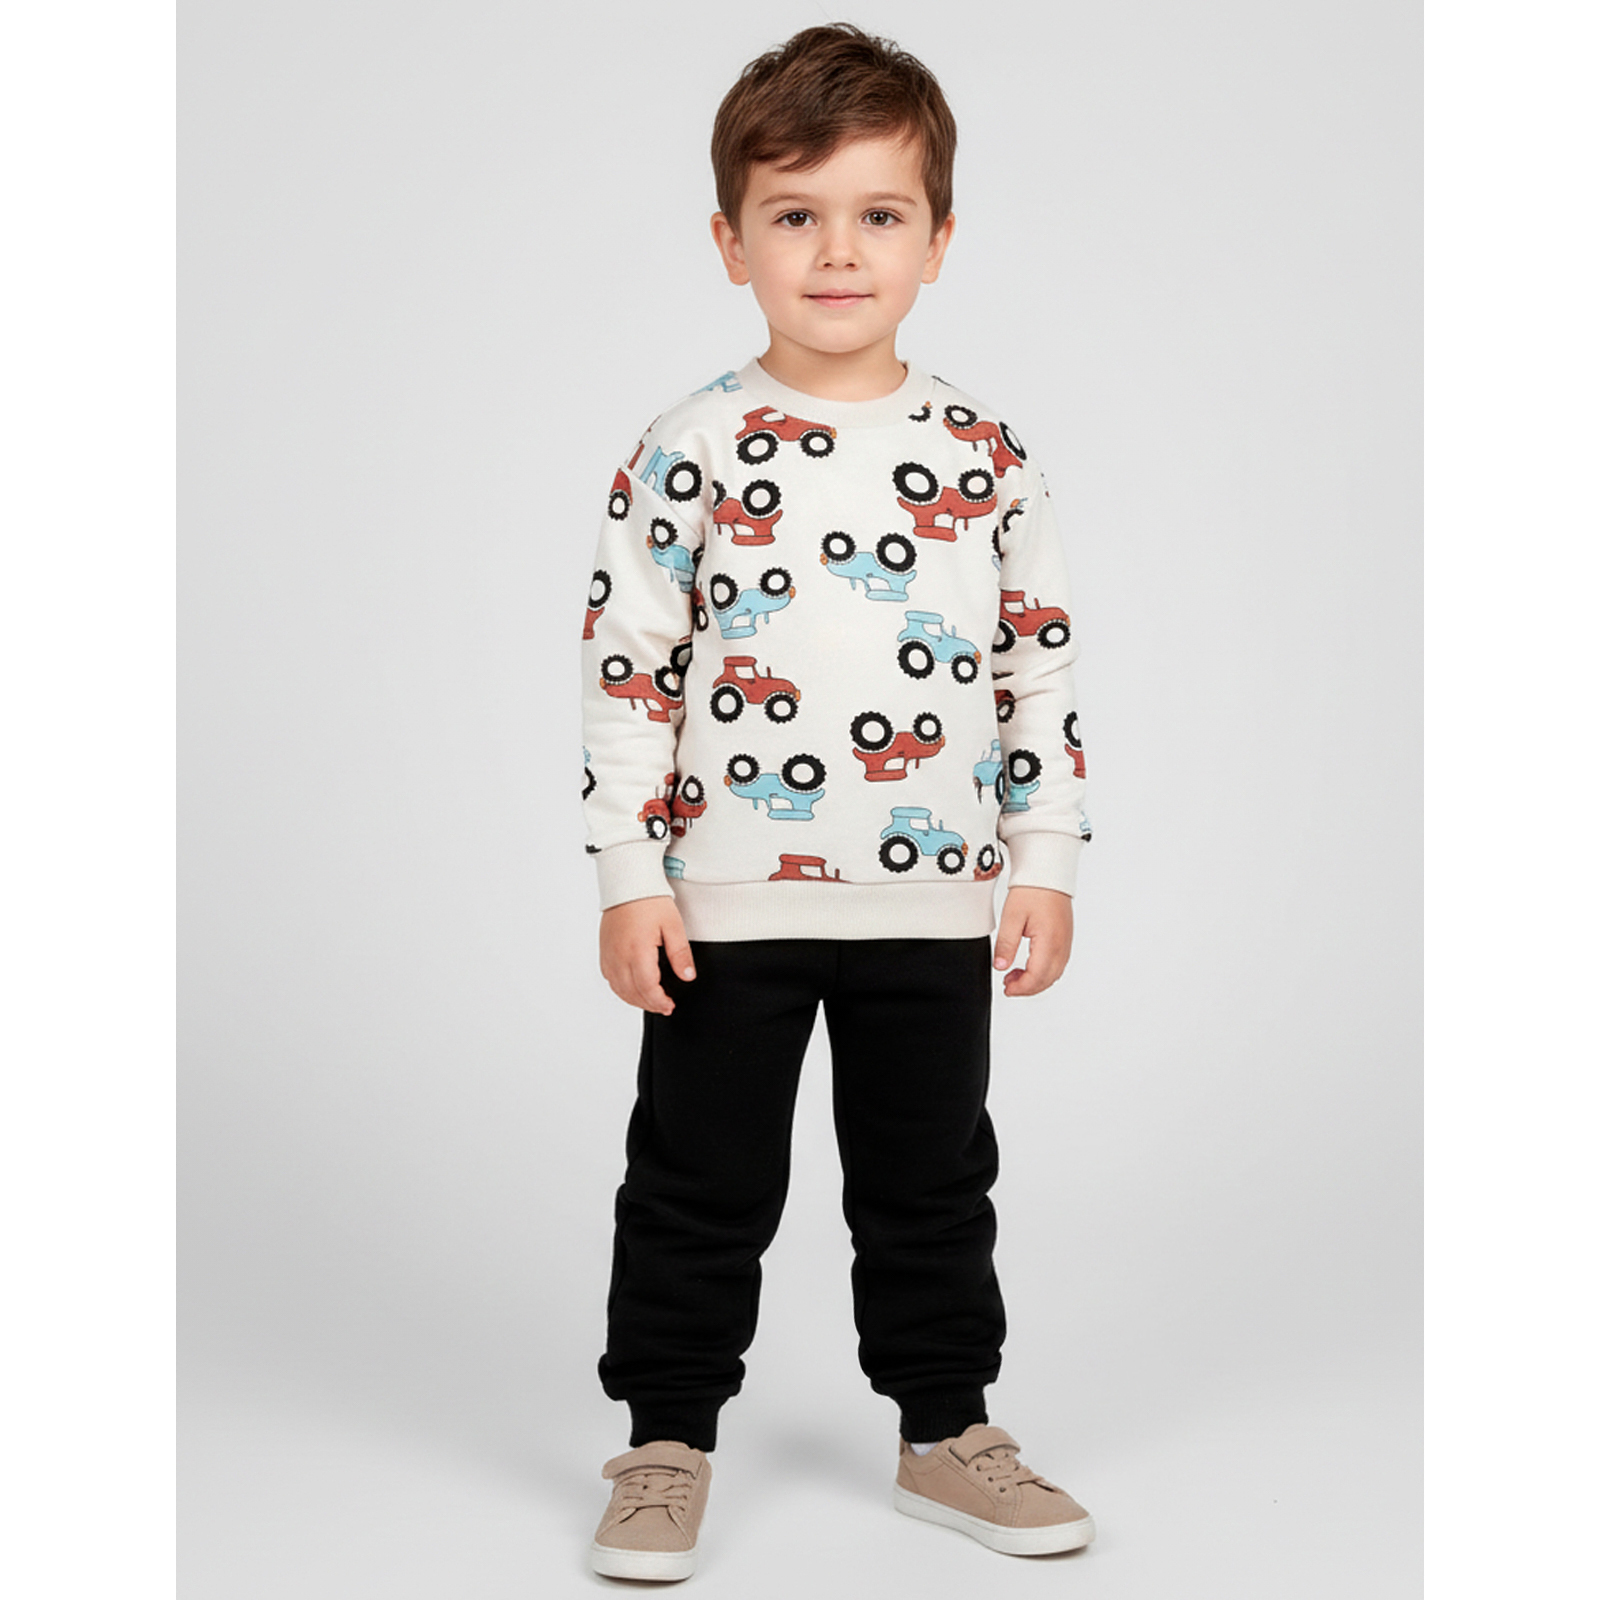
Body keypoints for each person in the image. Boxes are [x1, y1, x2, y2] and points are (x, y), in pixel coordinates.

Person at [577, 22, 1095, 1582]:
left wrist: (1045, 857)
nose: (838, 251)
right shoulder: (689, 449)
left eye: (879, 213)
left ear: (940, 239)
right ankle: (664, 1444)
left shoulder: (983, 453)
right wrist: (628, 874)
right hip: (722, 904)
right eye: (795, 215)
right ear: (730, 240)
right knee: (698, 1183)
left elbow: (1036, 665)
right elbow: (628, 672)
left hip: (932, 905)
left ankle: (947, 1432)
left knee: (931, 1183)